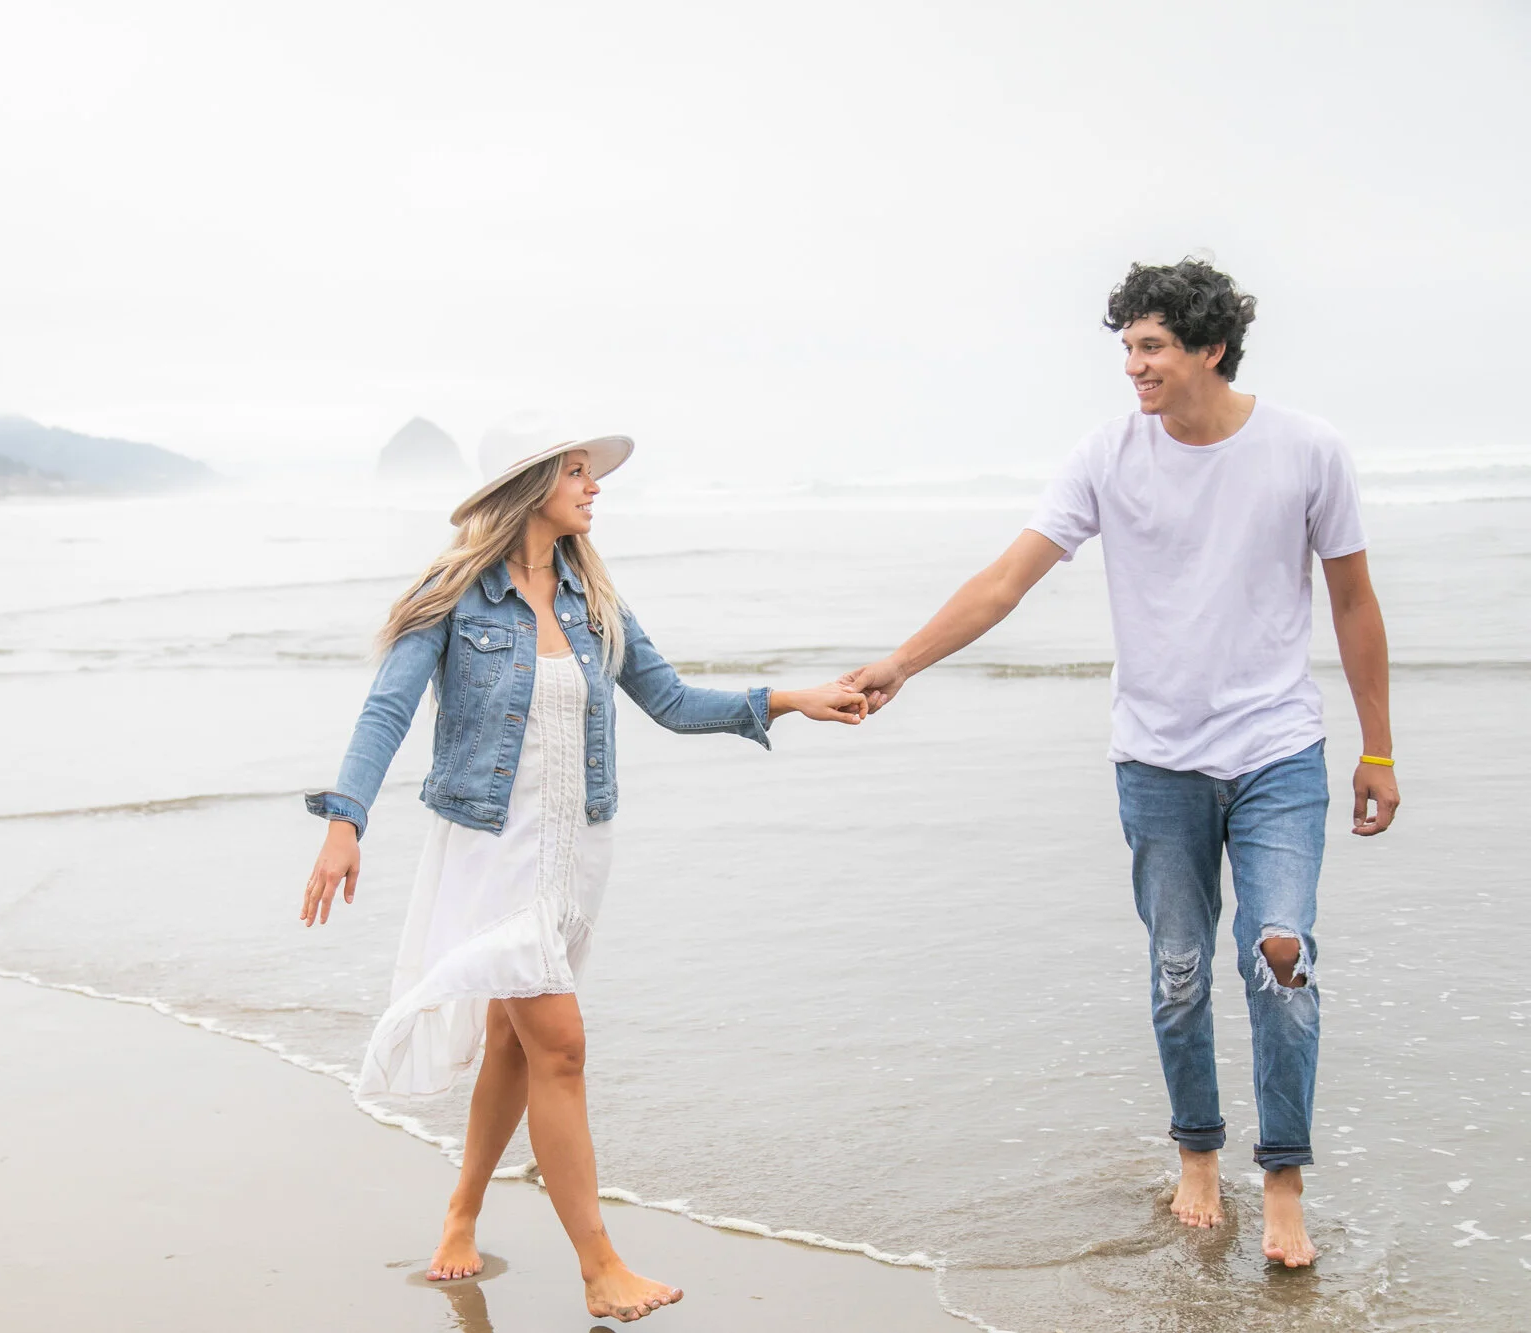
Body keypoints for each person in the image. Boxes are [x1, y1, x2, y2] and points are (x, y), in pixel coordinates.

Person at [843, 259, 1398, 1268]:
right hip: (1155, 761)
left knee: (1280, 957)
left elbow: (1353, 603)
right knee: (1178, 971)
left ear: (1208, 349)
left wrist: (1378, 747)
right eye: (1126, 349)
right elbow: (1006, 580)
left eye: (1150, 348)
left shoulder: (1306, 450)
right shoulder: (1105, 456)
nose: (1132, 368)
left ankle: (1280, 1179)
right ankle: (1196, 1153)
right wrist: (900, 664)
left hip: (1279, 751)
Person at [301, 416, 869, 1322]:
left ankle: (461, 1212)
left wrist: (792, 697)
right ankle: (599, 1265)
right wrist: (345, 821)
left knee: (512, 1043)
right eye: (576, 470)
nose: (594, 484)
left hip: (576, 852)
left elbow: (673, 700)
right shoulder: (453, 594)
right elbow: (386, 713)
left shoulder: (591, 600)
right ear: (531, 484)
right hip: (492, 853)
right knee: (560, 1046)